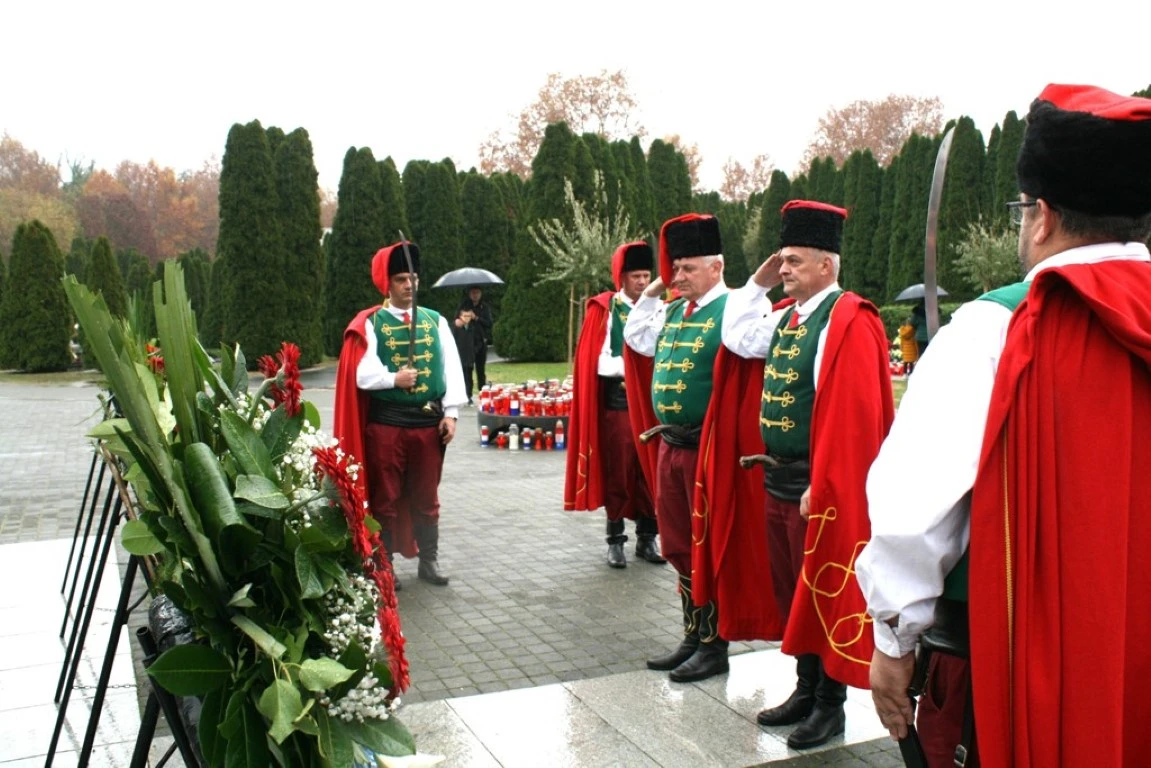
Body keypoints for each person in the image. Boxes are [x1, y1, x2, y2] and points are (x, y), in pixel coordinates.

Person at [857, 83, 1151, 767]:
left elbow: (915, 509)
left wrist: (892, 644)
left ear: (1041, 216)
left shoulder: (993, 327)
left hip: (1012, 659)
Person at [721, 200, 893, 749]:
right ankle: (804, 687)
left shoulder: (848, 318)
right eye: (783, 260)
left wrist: (825, 482)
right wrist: (756, 283)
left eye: (793, 261)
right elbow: (737, 335)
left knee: (821, 590)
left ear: (827, 264)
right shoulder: (787, 317)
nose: (785, 269)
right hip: (777, 479)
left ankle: (829, 706)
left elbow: (852, 416)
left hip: (816, 487)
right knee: (792, 590)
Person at [624, 212, 760, 683]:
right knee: (680, 546)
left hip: (709, 450)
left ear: (716, 268)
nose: (677, 277)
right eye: (674, 269)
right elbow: (635, 338)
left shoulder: (734, 310)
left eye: (686, 269)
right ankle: (692, 634)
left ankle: (714, 644)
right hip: (671, 448)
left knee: (707, 545)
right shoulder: (675, 310)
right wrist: (655, 288)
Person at [333, 241, 467, 589]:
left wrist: (450, 413)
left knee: (427, 496)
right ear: (387, 284)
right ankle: (385, 564)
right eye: (401, 279)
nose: (409, 285)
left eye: (413, 278)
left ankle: (429, 561)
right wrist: (394, 378)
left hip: (427, 426)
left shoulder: (435, 321)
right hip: (388, 425)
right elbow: (362, 374)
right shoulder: (372, 324)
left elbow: (452, 369)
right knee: (386, 498)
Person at [564, 241, 665, 568]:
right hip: (618, 402)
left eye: (646, 275)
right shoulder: (604, 310)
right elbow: (597, 362)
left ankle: (648, 539)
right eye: (635, 275)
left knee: (650, 471)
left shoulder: (663, 307)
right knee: (620, 470)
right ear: (621, 277)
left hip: (650, 403)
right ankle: (616, 540)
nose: (641, 281)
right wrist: (628, 369)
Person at [457, 287, 494, 393]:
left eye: (477, 293)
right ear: (469, 294)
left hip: (481, 341)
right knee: (467, 369)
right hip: (467, 342)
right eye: (473, 293)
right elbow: (456, 321)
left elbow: (489, 323)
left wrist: (476, 317)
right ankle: (467, 394)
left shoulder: (484, 307)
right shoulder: (464, 305)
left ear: (481, 293)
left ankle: (483, 391)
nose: (475, 295)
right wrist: (461, 320)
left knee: (480, 369)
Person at [451, 305, 478, 404]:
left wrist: (474, 350)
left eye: (468, 316)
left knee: (469, 377)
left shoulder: (472, 327)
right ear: (460, 316)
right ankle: (458, 395)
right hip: (459, 356)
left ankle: (468, 395)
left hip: (469, 356)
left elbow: (477, 340)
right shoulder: (456, 327)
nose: (466, 318)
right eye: (464, 316)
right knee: (459, 376)